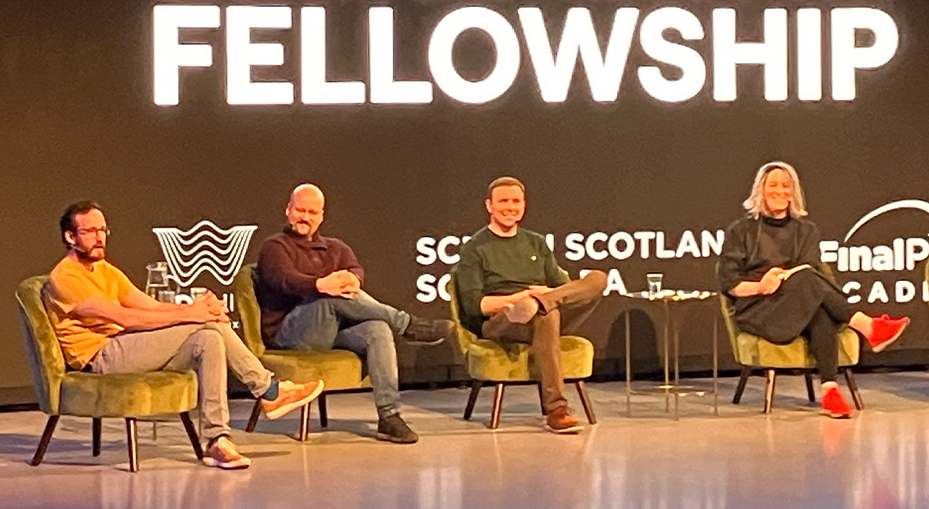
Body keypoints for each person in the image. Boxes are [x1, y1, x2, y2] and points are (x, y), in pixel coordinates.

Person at [43, 201, 323, 470]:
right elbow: (126, 318)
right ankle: (269, 391)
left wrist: (198, 310)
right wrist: (194, 314)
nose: (99, 237)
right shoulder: (65, 277)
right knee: (203, 325)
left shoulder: (105, 270)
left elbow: (150, 306)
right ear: (70, 237)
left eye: (102, 230)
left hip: (123, 346)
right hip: (100, 357)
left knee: (210, 337)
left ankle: (218, 439)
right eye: (90, 231)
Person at [254, 183, 453, 443]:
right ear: (288, 211)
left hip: (331, 329)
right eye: (300, 210)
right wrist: (321, 285)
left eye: (312, 212)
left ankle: (389, 416)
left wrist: (352, 280)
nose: (305, 217)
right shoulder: (275, 247)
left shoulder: (336, 247)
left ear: (321, 216)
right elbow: (285, 279)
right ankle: (407, 324)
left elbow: (355, 270)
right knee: (330, 298)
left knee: (378, 329)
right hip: (290, 332)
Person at [717, 161, 910, 419]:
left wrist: (784, 277)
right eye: (772, 184)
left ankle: (830, 391)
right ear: (760, 190)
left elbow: (808, 272)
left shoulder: (806, 230)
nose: (779, 191)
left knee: (819, 308)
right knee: (809, 279)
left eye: (786, 185)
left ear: (793, 192)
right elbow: (730, 285)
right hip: (759, 311)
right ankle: (868, 326)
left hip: (798, 303)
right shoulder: (740, 231)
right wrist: (762, 285)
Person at [452, 177, 608, 435]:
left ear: (524, 205)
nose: (510, 207)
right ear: (489, 206)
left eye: (516, 201)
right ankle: (557, 411)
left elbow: (563, 288)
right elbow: (476, 306)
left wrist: (542, 298)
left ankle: (538, 304)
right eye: (504, 201)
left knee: (597, 279)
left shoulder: (536, 242)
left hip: (544, 306)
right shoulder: (475, 248)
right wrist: (520, 298)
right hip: (503, 321)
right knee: (543, 314)